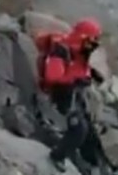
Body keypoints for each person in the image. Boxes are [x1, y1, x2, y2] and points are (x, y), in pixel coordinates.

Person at [34, 18, 104, 173]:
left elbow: (80, 69)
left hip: (73, 96)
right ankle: (57, 156)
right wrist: (76, 79)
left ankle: (93, 165)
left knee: (90, 133)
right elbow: (53, 78)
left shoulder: (80, 53)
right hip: (57, 96)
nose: (94, 44)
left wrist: (91, 74)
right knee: (79, 129)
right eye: (92, 39)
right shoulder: (61, 51)